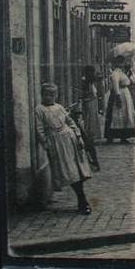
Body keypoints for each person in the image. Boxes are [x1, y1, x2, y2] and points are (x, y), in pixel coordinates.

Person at [35, 83, 93, 214]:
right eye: (46, 94)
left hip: (69, 139)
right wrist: (47, 144)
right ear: (42, 95)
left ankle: (82, 202)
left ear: (56, 95)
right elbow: (39, 129)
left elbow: (70, 122)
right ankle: (83, 200)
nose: (49, 97)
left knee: (77, 171)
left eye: (52, 94)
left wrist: (78, 136)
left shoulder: (59, 107)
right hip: (56, 142)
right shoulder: (39, 109)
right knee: (69, 172)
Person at [105, 56, 135, 143]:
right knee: (118, 114)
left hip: (125, 94)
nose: (123, 64)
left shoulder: (123, 73)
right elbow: (116, 85)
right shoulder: (115, 73)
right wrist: (118, 97)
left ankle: (124, 136)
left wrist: (130, 74)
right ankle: (114, 136)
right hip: (120, 94)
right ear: (117, 64)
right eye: (121, 63)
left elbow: (131, 82)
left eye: (123, 62)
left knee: (125, 115)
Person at [77, 65, 104, 145]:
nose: (90, 73)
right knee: (88, 119)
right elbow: (83, 93)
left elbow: (98, 93)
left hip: (93, 101)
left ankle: (92, 136)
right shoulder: (84, 82)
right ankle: (89, 136)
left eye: (91, 72)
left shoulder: (94, 81)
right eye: (88, 72)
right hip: (88, 102)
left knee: (92, 118)